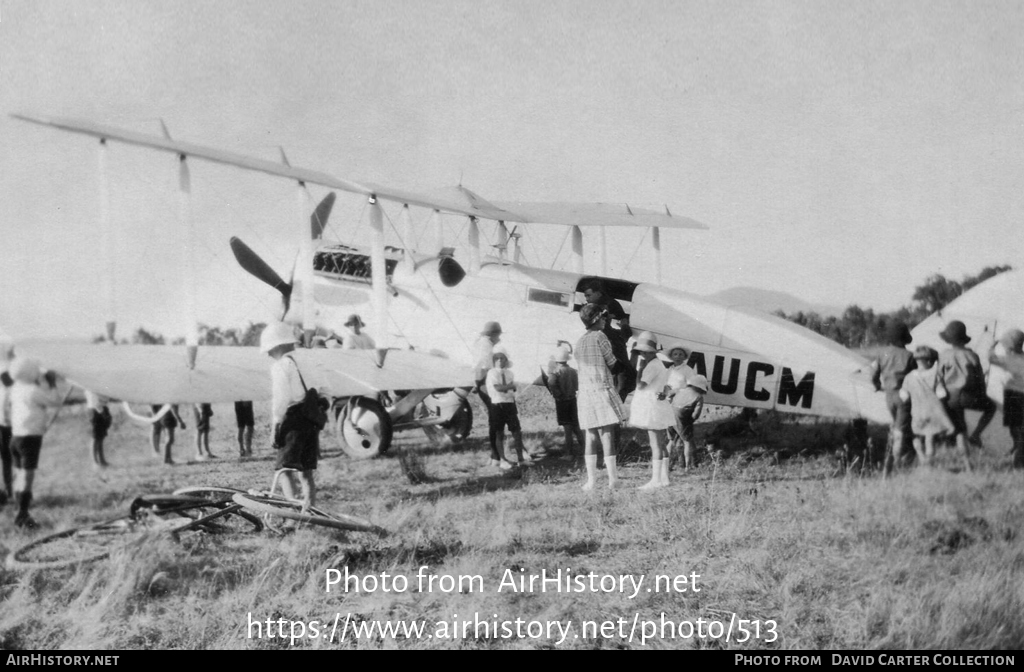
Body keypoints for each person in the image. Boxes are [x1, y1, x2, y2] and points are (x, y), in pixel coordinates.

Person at [262, 321, 319, 508]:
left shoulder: (281, 365)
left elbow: (281, 399)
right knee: (306, 472)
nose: (268, 354)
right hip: (311, 418)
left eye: (270, 349)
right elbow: (323, 389)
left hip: (294, 419)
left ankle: (292, 515)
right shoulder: (308, 361)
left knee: (284, 470)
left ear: (278, 346)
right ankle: (308, 512)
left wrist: (275, 427)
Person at [575, 303, 627, 490]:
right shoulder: (600, 336)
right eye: (604, 317)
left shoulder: (580, 341)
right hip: (601, 388)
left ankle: (591, 481)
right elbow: (612, 362)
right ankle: (613, 480)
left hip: (585, 392)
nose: (606, 320)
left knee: (590, 435)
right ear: (597, 319)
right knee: (607, 434)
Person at [8, 357, 62, 528]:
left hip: (16, 436)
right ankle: (22, 515)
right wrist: (51, 383)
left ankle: (18, 509)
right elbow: (54, 400)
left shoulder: (16, 388)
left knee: (19, 473)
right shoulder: (32, 390)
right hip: (30, 438)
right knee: (27, 476)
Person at [937, 320, 996, 471]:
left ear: (949, 340)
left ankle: (967, 466)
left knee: (960, 430)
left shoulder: (944, 355)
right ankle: (976, 434)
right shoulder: (972, 355)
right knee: (991, 407)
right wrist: (981, 394)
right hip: (970, 395)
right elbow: (980, 381)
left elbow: (939, 378)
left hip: (950, 397)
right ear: (963, 338)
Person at [629, 332, 675, 489]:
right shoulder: (658, 364)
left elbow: (640, 385)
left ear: (651, 352)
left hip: (652, 408)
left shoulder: (651, 366)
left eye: (645, 352)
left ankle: (656, 480)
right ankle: (664, 478)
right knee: (660, 444)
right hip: (657, 406)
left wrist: (639, 370)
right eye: (642, 351)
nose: (643, 354)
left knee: (655, 444)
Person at [869, 321, 916, 472]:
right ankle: (897, 463)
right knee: (901, 429)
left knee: (898, 424)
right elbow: (916, 377)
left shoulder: (882, 354)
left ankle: (903, 455)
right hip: (904, 396)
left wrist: (877, 386)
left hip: (889, 396)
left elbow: (873, 374)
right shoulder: (909, 356)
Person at [898, 346, 954, 466]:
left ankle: (921, 456)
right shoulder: (935, 375)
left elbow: (904, 395)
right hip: (932, 412)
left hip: (917, 413)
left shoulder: (909, 376)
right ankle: (929, 462)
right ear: (930, 361)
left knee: (916, 435)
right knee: (930, 438)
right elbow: (942, 394)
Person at [581, 280, 632, 400]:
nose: (587, 299)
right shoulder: (605, 332)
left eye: (589, 295)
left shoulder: (607, 307)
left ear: (598, 293)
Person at [485, 345, 529, 469]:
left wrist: (509, 387)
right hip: (497, 405)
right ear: (494, 360)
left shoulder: (510, 373)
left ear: (506, 360)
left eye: (502, 358)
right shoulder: (492, 373)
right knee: (499, 433)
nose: (499, 360)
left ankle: (521, 459)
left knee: (516, 432)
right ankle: (503, 460)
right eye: (497, 358)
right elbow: (498, 388)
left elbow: (513, 388)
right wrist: (509, 386)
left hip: (509, 404)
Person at [987, 328, 1024, 469]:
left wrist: (992, 346)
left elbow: (990, 358)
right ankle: (1017, 449)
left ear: (1009, 346)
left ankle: (1018, 457)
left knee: (1015, 427)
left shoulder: (1008, 359)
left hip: (1012, 395)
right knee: (1020, 427)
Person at [663, 343, 702, 471]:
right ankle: (671, 464)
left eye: (681, 354)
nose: (678, 356)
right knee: (672, 437)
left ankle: (690, 464)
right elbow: (665, 385)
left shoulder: (688, 370)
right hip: (670, 405)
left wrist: (677, 391)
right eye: (675, 354)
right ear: (671, 356)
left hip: (682, 405)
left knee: (686, 437)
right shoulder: (670, 370)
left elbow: (692, 387)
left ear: (685, 357)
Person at [545, 345, 584, 457]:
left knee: (567, 428)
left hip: (562, 402)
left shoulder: (556, 372)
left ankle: (569, 453)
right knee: (576, 426)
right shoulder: (573, 371)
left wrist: (558, 394)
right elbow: (577, 386)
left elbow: (551, 383)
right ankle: (585, 450)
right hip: (572, 400)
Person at [473, 321, 503, 463]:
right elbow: (484, 366)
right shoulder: (486, 345)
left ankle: (495, 455)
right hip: (486, 382)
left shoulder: (482, 342)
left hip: (483, 382)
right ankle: (496, 455)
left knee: (494, 419)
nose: (499, 338)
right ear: (493, 334)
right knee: (496, 419)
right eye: (498, 335)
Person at [0, 337, 14, 505]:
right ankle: (8, 490)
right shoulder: (8, 389)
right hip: (4, 425)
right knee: (7, 459)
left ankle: (9, 490)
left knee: (8, 459)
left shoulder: (10, 389)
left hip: (7, 426)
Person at [85, 390, 112, 468]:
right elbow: (94, 400)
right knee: (95, 437)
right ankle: (95, 462)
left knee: (101, 436)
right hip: (94, 409)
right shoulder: (89, 386)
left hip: (102, 408)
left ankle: (102, 460)